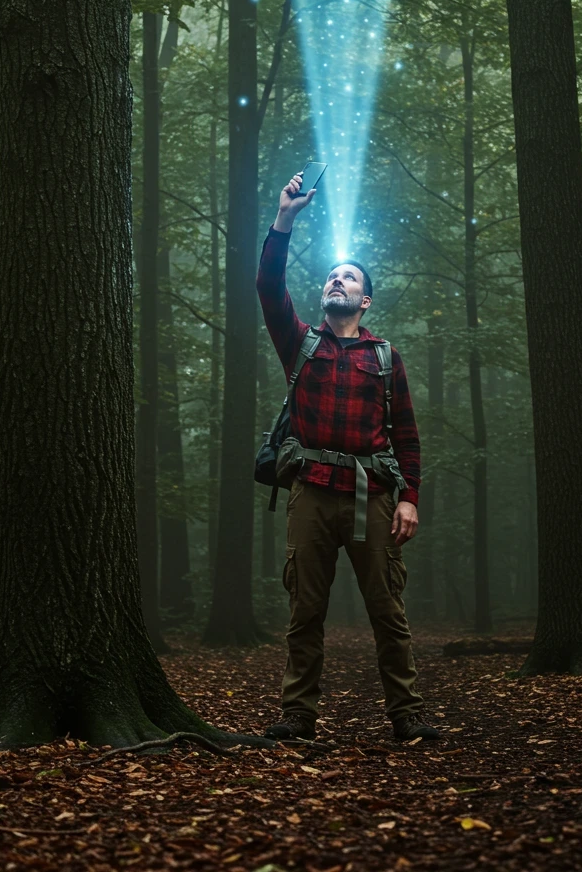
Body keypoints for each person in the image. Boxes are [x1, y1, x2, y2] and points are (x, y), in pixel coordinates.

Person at [257, 170, 441, 743]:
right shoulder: (301, 343)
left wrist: (409, 499)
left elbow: (406, 436)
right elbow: (267, 286)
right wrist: (285, 216)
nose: (338, 281)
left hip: (373, 496)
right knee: (305, 610)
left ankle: (406, 716)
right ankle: (298, 717)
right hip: (310, 492)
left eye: (350, 278)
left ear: (365, 298)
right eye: (333, 276)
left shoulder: (385, 356)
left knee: (387, 610)